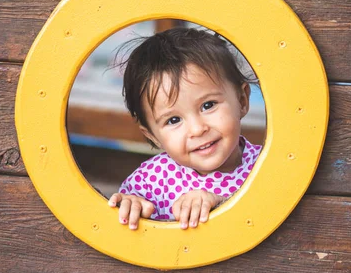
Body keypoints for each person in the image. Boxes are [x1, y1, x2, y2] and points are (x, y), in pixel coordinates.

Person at [108, 28, 262, 230]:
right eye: (173, 120)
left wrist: (222, 204)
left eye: (208, 105)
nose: (197, 129)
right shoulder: (148, 182)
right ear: (152, 135)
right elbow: (120, 226)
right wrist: (130, 207)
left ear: (242, 100)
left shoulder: (265, 166)